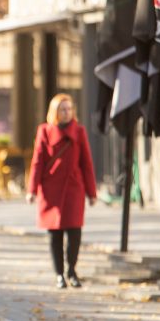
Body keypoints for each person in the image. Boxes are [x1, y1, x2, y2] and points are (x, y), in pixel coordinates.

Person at [26, 93, 97, 289]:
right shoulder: (45, 131)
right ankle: (59, 274)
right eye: (62, 109)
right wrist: (32, 190)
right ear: (54, 112)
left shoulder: (79, 132)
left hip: (74, 188)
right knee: (54, 234)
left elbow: (86, 163)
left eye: (69, 109)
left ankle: (71, 270)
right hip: (51, 190)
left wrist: (92, 193)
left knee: (74, 232)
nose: (66, 113)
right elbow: (37, 162)